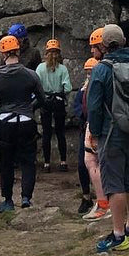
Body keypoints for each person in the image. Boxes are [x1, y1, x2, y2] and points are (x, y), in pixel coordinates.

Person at [86, 23, 129, 253]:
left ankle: (118, 234)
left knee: (114, 183)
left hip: (111, 131)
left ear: (104, 44)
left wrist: (93, 132)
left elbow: (94, 105)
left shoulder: (102, 69)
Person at [0, 34, 43, 214]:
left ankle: (8, 199)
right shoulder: (31, 75)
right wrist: (29, 109)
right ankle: (26, 197)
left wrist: (1, 111)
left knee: (6, 162)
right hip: (26, 120)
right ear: (18, 51)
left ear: (3, 54)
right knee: (28, 161)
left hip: (6, 122)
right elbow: (42, 98)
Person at [77, 57, 109, 220]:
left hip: (95, 127)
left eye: (90, 72)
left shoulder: (94, 86)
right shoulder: (88, 87)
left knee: (92, 163)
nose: (89, 75)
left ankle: (103, 203)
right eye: (87, 72)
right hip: (95, 126)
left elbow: (93, 107)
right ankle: (102, 200)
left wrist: (93, 130)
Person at [36, 38, 72, 172]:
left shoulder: (40, 68)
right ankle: (63, 161)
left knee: (46, 133)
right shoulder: (62, 69)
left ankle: (46, 163)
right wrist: (61, 92)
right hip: (58, 101)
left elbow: (36, 84)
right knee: (60, 132)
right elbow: (67, 87)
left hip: (45, 100)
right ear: (59, 53)